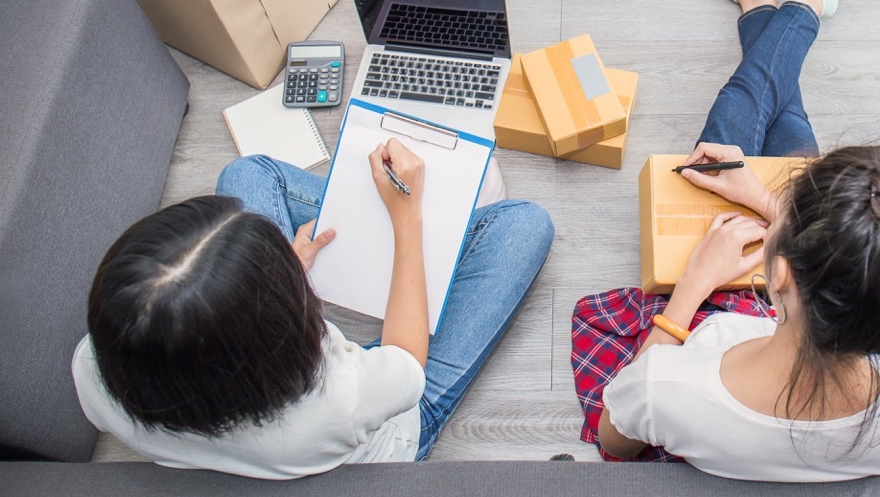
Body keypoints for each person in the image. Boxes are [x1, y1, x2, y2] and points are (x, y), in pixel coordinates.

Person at [593, 0, 880, 481]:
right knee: (776, 133)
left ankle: (787, 2)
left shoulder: (668, 387)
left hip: (725, 320)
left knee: (740, 128)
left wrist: (690, 290)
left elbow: (614, 442)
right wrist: (769, 201)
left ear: (780, 274)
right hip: (805, 318)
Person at [72, 142, 553, 479]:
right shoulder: (339, 394)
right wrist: (407, 216)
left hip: (259, 410)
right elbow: (407, 363)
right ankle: (442, 222)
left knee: (247, 174)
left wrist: (267, 276)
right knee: (522, 226)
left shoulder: (97, 366)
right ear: (277, 332)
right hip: (392, 419)